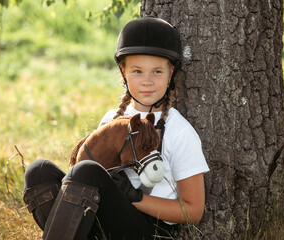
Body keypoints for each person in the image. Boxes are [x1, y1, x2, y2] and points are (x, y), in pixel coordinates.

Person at [23, 16, 209, 240]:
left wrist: (135, 197)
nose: (147, 81)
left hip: (148, 229)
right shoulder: (112, 119)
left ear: (171, 73)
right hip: (102, 217)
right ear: (123, 72)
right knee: (38, 171)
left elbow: (193, 211)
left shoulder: (179, 131)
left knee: (87, 171)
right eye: (137, 71)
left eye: (157, 72)